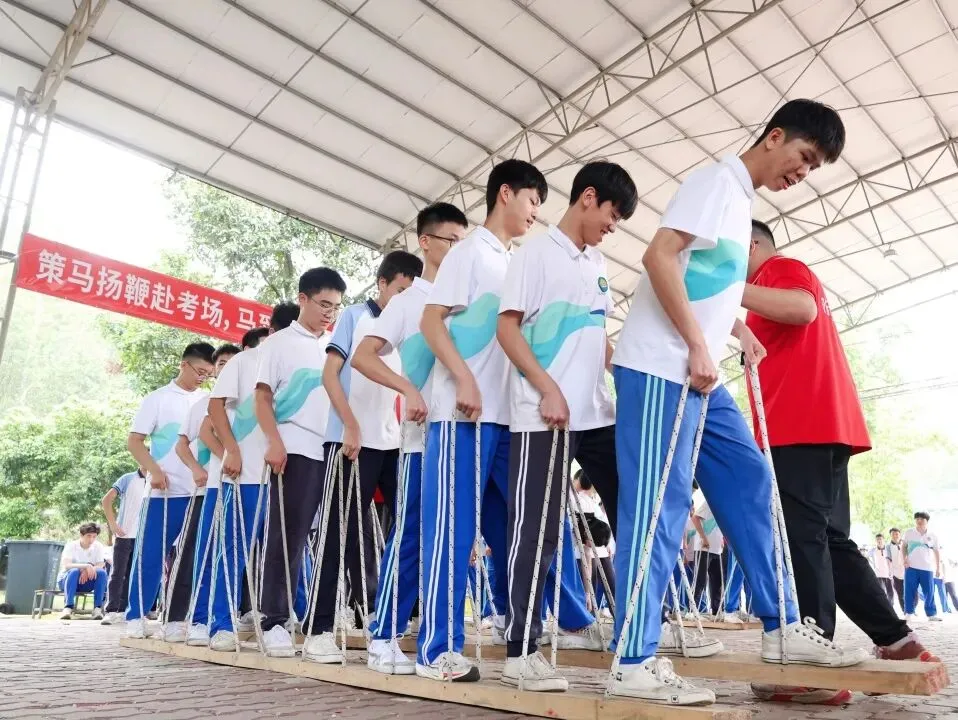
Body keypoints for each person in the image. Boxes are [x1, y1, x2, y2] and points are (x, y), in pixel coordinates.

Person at [609, 99, 868, 705]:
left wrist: (737, 329)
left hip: (698, 371)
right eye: (803, 158)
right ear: (774, 136)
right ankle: (633, 660)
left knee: (753, 479)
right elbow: (659, 256)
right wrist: (701, 343)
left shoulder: (740, 202)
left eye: (814, 168)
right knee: (660, 504)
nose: (802, 173)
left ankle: (782, 629)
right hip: (660, 368)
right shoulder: (716, 183)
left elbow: (706, 280)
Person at [743, 219, 939, 703]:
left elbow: (803, 309)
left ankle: (814, 662)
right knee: (829, 540)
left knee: (801, 540)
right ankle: (896, 639)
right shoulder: (767, 281)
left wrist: (728, 287)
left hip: (799, 424)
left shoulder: (779, 269)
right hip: (822, 425)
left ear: (749, 244)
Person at [493, 160, 634, 691]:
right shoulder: (534, 254)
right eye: (612, 213)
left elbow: (597, 337)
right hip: (542, 413)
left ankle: (642, 624)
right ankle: (521, 649)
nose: (613, 224)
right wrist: (548, 388)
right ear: (587, 198)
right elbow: (508, 331)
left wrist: (625, 368)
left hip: (596, 412)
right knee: (539, 528)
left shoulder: (596, 262)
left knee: (633, 507)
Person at [416, 158, 546, 682]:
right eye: (533, 200)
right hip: (461, 415)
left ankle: (524, 642)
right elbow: (431, 321)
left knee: (514, 527)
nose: (536, 212)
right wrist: (464, 379)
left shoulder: (515, 260)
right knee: (451, 530)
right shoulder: (470, 253)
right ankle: (435, 649)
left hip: (507, 419)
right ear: (506, 194)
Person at [350, 202, 469, 674]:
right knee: (415, 534)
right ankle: (383, 635)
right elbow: (364, 356)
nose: (460, 250)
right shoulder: (407, 301)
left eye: (465, 241)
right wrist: (408, 388)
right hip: (423, 441)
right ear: (426, 242)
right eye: (451, 241)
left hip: (474, 436)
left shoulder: (475, 293)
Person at [319, 249, 423, 626]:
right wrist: (349, 424)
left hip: (395, 442)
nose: (404, 298)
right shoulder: (355, 317)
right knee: (340, 530)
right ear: (382, 283)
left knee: (411, 521)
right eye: (399, 289)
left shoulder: (412, 321)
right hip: (351, 440)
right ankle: (323, 620)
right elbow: (330, 375)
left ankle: (402, 611)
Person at [255, 268, 346, 658]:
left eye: (337, 307)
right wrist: (275, 441)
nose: (330, 313)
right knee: (287, 536)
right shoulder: (277, 345)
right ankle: (273, 619)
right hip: (294, 446)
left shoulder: (338, 344)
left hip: (335, 449)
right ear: (303, 299)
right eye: (324, 304)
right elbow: (262, 399)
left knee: (328, 537)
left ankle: (319, 620)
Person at [206, 302, 300, 652]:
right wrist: (232, 448)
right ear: (273, 331)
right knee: (232, 550)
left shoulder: (306, 360)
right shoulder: (245, 362)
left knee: (287, 551)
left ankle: (289, 616)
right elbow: (216, 406)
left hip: (288, 473)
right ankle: (221, 624)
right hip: (246, 473)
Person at [125, 342, 216, 638]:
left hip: (202, 491)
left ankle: (178, 619)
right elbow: (135, 441)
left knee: (191, 558)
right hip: (166, 489)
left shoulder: (210, 400)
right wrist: (154, 470)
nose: (203, 377)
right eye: (199, 371)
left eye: (208, 373)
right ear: (183, 364)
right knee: (151, 553)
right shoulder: (158, 399)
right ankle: (136, 616)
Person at [165, 342, 240, 645]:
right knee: (196, 553)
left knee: (231, 555)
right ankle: (180, 618)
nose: (226, 369)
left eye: (232, 364)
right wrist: (199, 469)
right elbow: (182, 445)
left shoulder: (244, 402)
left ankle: (222, 618)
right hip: (206, 491)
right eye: (221, 364)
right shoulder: (203, 405)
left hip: (239, 488)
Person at [100, 468, 146, 625]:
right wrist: (113, 524)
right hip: (124, 534)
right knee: (118, 573)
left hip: (144, 536)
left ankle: (127, 610)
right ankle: (111, 611)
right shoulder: (128, 478)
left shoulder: (157, 479)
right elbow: (107, 500)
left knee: (135, 575)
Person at [57, 522, 108, 620]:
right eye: (88, 536)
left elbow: (100, 564)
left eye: (94, 536)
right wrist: (86, 566)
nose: (91, 539)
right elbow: (67, 565)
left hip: (85, 581)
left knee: (101, 573)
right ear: (81, 535)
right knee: (74, 571)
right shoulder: (71, 545)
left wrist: (89, 569)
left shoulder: (98, 546)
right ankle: (68, 607)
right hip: (67, 580)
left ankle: (97, 608)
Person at [903, 511, 941, 622]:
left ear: (926, 521)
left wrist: (938, 568)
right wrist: (905, 560)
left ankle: (931, 614)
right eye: (917, 519)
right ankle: (908, 613)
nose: (919, 521)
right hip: (911, 567)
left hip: (927, 568)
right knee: (909, 591)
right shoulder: (909, 532)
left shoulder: (933, 535)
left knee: (929, 592)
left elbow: (937, 552)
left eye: (922, 519)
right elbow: (904, 547)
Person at [691, 499, 724, 616]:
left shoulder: (723, 506)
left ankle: (716, 611)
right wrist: (703, 537)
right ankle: (693, 610)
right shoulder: (709, 503)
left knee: (718, 581)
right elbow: (695, 518)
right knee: (700, 580)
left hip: (717, 549)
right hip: (704, 548)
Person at [869, 534, 895, 606]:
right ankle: (883, 606)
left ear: (883, 540)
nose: (879, 541)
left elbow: (892, 560)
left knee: (890, 592)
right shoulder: (873, 551)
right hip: (878, 575)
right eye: (877, 539)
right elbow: (867, 557)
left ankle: (890, 606)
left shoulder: (888, 549)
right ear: (876, 541)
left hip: (888, 574)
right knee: (881, 592)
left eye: (880, 539)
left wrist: (892, 570)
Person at [887, 527, 906, 612]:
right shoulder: (888, 547)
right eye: (893, 534)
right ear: (890, 536)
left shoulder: (905, 544)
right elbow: (888, 560)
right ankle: (904, 610)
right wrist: (890, 572)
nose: (895, 536)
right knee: (900, 594)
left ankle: (911, 608)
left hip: (907, 572)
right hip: (896, 574)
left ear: (900, 534)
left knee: (913, 593)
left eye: (897, 534)